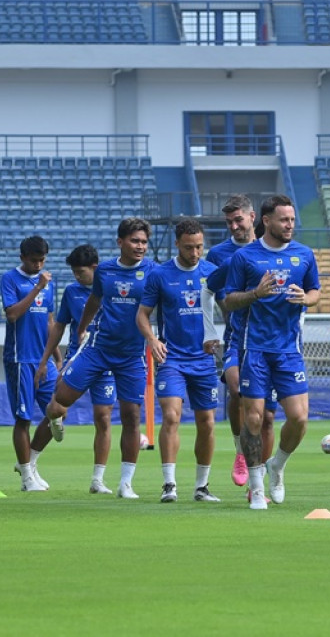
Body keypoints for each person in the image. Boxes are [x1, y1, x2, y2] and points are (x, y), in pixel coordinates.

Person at [45, 218, 155, 499]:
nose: (140, 246)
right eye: (134, 241)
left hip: (131, 355)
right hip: (99, 347)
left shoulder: (153, 271)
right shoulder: (105, 270)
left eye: (144, 241)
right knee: (60, 399)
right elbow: (95, 300)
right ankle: (56, 418)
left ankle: (126, 483)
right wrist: (82, 328)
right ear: (120, 242)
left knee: (131, 416)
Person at [223, 194, 320, 510]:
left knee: (299, 418)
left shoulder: (304, 255)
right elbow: (228, 299)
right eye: (284, 219)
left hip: (288, 350)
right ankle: (256, 487)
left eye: (292, 219)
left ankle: (277, 465)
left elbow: (315, 290)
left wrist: (307, 299)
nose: (290, 225)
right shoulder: (245, 257)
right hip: (254, 349)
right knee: (252, 418)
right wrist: (254, 293)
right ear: (266, 221)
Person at [138, 218, 223, 503]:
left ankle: (201, 487)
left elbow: (230, 308)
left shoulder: (212, 272)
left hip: (204, 360)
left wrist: (221, 337)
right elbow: (142, 315)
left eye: (199, 246)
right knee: (172, 416)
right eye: (189, 247)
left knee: (207, 423)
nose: (195, 252)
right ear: (177, 244)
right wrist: (152, 340)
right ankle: (169, 484)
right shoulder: (160, 274)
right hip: (172, 358)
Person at [37, 244, 118, 494]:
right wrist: (45, 360)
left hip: (106, 358)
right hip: (78, 357)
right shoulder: (71, 292)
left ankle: (98, 480)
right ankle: (54, 418)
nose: (76, 277)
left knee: (103, 418)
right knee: (58, 407)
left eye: (80, 272)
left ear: (95, 268)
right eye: (74, 272)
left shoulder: (112, 289)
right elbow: (59, 326)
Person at [0, 235, 60, 493]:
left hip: (43, 359)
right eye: (34, 261)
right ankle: (26, 477)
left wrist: (55, 353)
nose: (38, 265)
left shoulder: (48, 284)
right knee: (23, 419)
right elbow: (12, 315)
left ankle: (30, 462)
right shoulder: (10, 279)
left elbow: (49, 320)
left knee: (57, 412)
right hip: (20, 358)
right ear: (22, 258)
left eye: (42, 260)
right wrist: (36, 288)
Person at [206, 194, 259, 488]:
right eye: (229, 222)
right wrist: (209, 331)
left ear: (253, 217)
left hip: (273, 339)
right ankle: (241, 451)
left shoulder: (270, 248)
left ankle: (263, 472)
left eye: (238, 220)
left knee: (267, 413)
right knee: (236, 391)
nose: (234, 226)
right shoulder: (218, 255)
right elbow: (209, 292)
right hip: (237, 334)